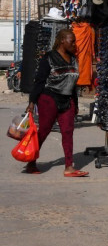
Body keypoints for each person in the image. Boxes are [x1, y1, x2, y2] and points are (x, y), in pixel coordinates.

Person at [25, 29, 88, 177]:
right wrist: (32, 101)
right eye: (71, 41)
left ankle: (69, 167)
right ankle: (31, 161)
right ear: (62, 41)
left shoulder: (73, 59)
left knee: (68, 132)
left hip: (67, 100)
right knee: (44, 131)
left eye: (74, 41)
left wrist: (76, 104)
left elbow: (73, 84)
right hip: (49, 98)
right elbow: (39, 81)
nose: (74, 44)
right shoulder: (49, 58)